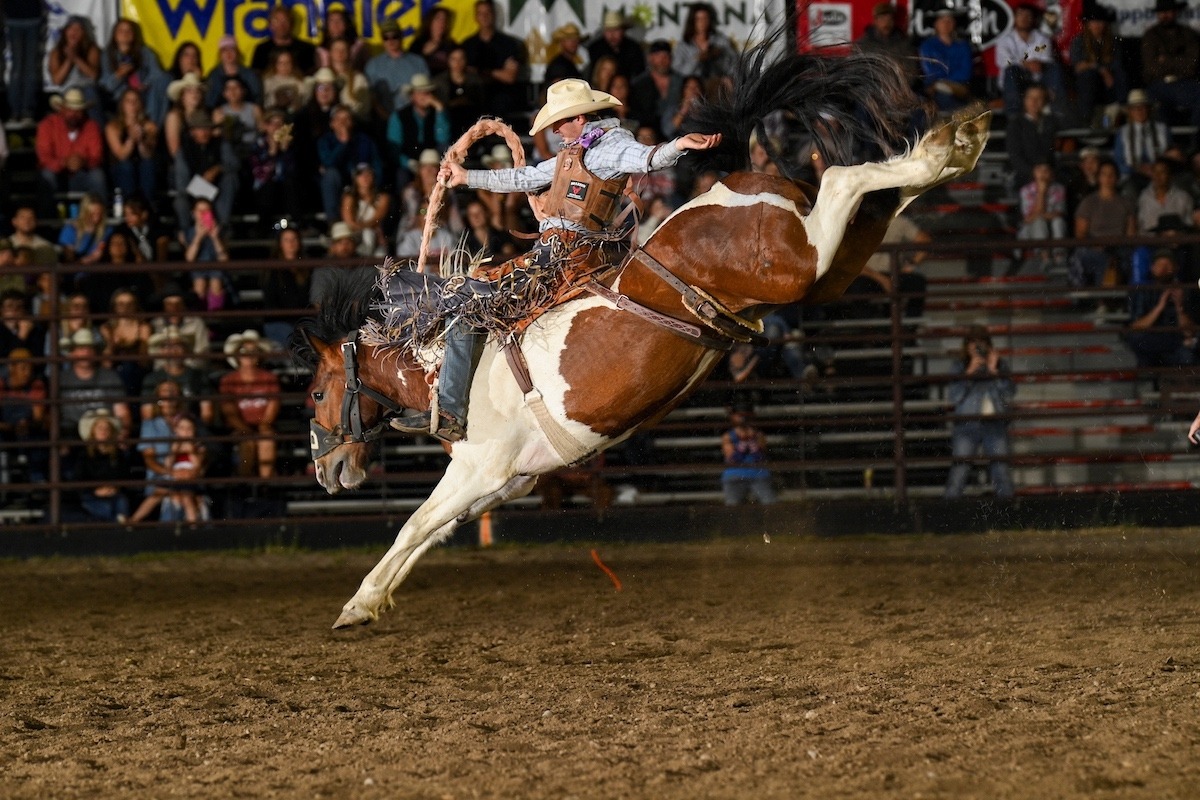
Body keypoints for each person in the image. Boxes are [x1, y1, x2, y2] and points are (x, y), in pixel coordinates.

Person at [395, 78, 721, 441]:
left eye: (558, 122)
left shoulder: (610, 146)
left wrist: (678, 145)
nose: (553, 130)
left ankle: (451, 408)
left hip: (563, 257)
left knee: (466, 301)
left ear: (579, 119)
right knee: (467, 296)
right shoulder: (574, 152)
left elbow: (647, 158)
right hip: (554, 254)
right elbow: (527, 177)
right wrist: (466, 176)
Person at [944, 326, 1015, 500]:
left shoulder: (1000, 364)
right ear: (967, 346)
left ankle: (1009, 513)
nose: (978, 347)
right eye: (973, 343)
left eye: (981, 342)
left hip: (994, 423)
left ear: (988, 345)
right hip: (967, 424)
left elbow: (1009, 393)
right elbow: (954, 397)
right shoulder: (959, 367)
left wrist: (995, 372)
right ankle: (947, 511)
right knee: (959, 472)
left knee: (1001, 472)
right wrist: (968, 373)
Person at [219, 330, 281, 479]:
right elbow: (229, 412)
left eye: (253, 351)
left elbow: (273, 405)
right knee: (247, 441)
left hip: (263, 425)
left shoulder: (269, 378)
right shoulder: (228, 381)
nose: (249, 355)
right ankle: (246, 482)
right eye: (244, 351)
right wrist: (244, 428)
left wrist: (264, 424)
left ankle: (265, 482)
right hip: (239, 427)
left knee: (266, 438)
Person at [35, 88, 107, 214]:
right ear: (62, 109)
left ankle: (100, 216)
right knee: (46, 175)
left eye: (78, 111)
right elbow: (44, 157)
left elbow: (97, 156)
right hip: (58, 176)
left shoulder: (91, 126)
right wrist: (64, 162)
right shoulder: (47, 125)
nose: (74, 114)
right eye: (70, 110)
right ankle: (46, 218)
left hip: (82, 174)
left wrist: (83, 162)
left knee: (97, 176)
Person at [1125, 250, 1196, 370]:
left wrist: (1179, 307)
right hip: (1154, 341)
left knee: (1187, 355)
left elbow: (1189, 332)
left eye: (1167, 265)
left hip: (1176, 343)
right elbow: (1136, 327)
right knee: (1138, 341)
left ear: (1176, 268)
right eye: (1159, 265)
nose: (1163, 269)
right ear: (1152, 268)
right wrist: (1159, 307)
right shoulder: (1143, 291)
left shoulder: (1186, 291)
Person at [993, 1, 1066, 117]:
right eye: (1020, 15)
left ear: (1033, 19)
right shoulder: (1004, 40)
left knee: (1054, 68)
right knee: (1011, 70)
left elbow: (1047, 59)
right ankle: (1014, 119)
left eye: (1028, 16)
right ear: (1014, 18)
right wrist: (1026, 64)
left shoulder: (1042, 38)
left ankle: (1059, 114)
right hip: (1017, 81)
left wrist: (1039, 64)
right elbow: (1005, 62)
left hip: (1038, 79)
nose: (1024, 19)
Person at [1072, 160, 1136, 289]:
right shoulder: (1088, 202)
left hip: (1119, 247)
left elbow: (1131, 233)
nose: (1108, 178)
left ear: (1117, 178)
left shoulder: (1126, 204)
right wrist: (1095, 245)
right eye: (1104, 174)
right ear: (1099, 178)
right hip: (1094, 246)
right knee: (1096, 258)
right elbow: (1080, 234)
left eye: (1111, 174)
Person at [1140, 0, 1200, 139]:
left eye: (1168, 11)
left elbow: (1192, 65)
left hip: (1184, 83)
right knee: (1156, 107)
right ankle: (1164, 146)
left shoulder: (1189, 34)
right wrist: (1180, 61)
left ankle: (1195, 142)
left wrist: (1165, 59)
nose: (1165, 15)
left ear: (1175, 12)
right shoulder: (1150, 35)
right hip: (1158, 84)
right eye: (1161, 12)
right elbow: (1151, 67)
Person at [58, 328, 132, 440]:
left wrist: (122, 434)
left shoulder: (110, 377)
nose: (86, 353)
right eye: (81, 348)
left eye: (89, 348)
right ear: (72, 353)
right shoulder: (61, 379)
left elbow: (122, 413)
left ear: (95, 352)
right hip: (70, 436)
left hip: (103, 436)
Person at [461, 0, 529, 120]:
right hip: (474, 98)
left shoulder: (509, 44)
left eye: (487, 12)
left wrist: (481, 71)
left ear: (494, 15)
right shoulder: (467, 45)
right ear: (476, 17)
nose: (484, 16)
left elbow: (509, 77)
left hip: (502, 98)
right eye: (480, 13)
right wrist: (497, 72)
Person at [317, 105, 384, 228]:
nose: (343, 123)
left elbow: (376, 164)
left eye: (346, 119)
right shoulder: (325, 141)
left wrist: (375, 182)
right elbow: (328, 163)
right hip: (339, 181)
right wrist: (343, 144)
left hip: (362, 182)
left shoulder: (364, 140)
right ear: (332, 124)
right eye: (339, 119)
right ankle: (334, 222)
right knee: (330, 175)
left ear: (352, 122)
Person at [173, 109, 239, 230]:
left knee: (230, 178)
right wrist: (201, 184)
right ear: (192, 132)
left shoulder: (220, 144)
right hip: (193, 192)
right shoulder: (184, 152)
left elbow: (234, 164)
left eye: (207, 128)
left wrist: (217, 169)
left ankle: (222, 226)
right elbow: (182, 186)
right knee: (180, 202)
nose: (204, 133)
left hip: (218, 189)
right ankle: (186, 233)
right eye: (200, 129)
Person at [386, 73, 450, 190]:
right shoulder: (398, 116)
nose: (425, 96)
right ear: (412, 95)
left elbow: (443, 139)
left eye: (428, 92)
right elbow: (394, 149)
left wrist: (440, 110)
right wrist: (409, 163)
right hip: (409, 163)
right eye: (421, 92)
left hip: (433, 161)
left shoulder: (437, 114)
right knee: (401, 175)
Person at [1068, 1, 1126, 128]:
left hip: (1108, 84)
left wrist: (1105, 71)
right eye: (1093, 22)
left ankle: (1122, 110)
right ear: (1088, 24)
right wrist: (1100, 69)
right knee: (1088, 76)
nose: (1097, 25)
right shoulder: (1079, 41)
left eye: (1100, 21)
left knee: (1120, 74)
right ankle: (1086, 120)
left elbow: (1117, 63)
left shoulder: (1113, 42)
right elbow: (1078, 66)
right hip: (1088, 84)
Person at [140, 326, 214, 426]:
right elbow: (147, 415)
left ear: (186, 350)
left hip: (193, 428)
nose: (172, 351)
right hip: (161, 429)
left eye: (177, 346)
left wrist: (187, 429)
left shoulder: (199, 377)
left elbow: (207, 414)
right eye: (167, 346)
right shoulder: (151, 379)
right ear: (161, 351)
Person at [98, 18, 167, 124]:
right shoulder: (107, 55)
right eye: (121, 30)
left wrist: (145, 84)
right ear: (114, 35)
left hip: (142, 95)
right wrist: (118, 75)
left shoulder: (145, 52)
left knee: (166, 78)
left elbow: (157, 74)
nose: (125, 34)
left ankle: (151, 124)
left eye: (128, 30)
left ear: (134, 34)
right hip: (119, 98)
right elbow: (106, 86)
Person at [74, 409, 132, 523]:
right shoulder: (84, 453)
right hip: (90, 494)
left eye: (107, 428)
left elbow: (124, 474)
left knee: (122, 502)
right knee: (105, 508)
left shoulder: (118, 454)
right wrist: (95, 490)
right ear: (93, 431)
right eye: (100, 428)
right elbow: (79, 478)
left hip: (114, 492)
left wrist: (114, 487)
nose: (103, 431)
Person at [364, 19, 430, 119]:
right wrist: (386, 117)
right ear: (382, 40)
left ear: (401, 37)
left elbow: (426, 91)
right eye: (386, 37)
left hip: (414, 117)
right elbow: (370, 96)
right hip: (383, 119)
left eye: (394, 36)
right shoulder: (373, 65)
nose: (390, 41)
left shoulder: (418, 62)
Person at [1112, 89, 1175, 194]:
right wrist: (1138, 169)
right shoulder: (1122, 133)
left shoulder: (1162, 129)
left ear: (1148, 109)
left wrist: (1156, 168)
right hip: (1132, 176)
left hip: (1159, 175)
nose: (1139, 111)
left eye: (1142, 107)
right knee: (1130, 188)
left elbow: (1171, 155)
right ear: (1130, 112)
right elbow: (1119, 162)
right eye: (1135, 108)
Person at [0, 347, 48, 482]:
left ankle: (37, 481)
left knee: (39, 441)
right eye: (23, 368)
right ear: (11, 368)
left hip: (27, 429)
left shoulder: (36, 385)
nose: (28, 373)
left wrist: (27, 424)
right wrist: (7, 426)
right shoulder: (1, 384)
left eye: (30, 368)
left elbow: (38, 416)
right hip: (4, 429)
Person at [105, 88, 159, 205]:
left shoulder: (150, 126)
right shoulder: (113, 127)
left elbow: (147, 154)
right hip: (121, 168)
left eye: (135, 101)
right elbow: (121, 155)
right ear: (122, 105)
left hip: (142, 165)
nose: (132, 105)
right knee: (126, 166)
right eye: (128, 101)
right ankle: (129, 205)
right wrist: (131, 139)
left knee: (148, 165)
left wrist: (140, 141)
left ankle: (147, 205)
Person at [918, 8, 975, 113]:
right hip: (934, 90)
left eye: (949, 20)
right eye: (942, 20)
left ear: (954, 23)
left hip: (959, 88)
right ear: (936, 24)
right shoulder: (927, 46)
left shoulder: (963, 46)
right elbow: (930, 72)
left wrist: (945, 82)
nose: (946, 24)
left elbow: (965, 72)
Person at [100, 286, 152, 398]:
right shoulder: (107, 328)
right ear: (114, 306)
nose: (126, 308)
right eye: (121, 304)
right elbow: (106, 364)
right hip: (114, 372)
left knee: (129, 368)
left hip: (138, 373)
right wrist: (112, 344)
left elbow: (144, 361)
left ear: (135, 306)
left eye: (130, 304)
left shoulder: (143, 327)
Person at [1017, 162, 1069, 274]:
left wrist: (1041, 214)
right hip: (1032, 229)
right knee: (1039, 222)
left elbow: (1059, 213)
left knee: (1058, 222)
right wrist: (1041, 193)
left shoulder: (1059, 188)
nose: (1042, 174)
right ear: (1034, 173)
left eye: (1046, 171)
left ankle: (1059, 256)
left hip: (1052, 226)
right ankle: (1045, 257)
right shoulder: (1026, 190)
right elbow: (1029, 218)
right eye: (1039, 170)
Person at [1006, 84, 1059, 191]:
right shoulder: (1016, 124)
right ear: (1024, 100)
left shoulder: (1050, 121)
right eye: (1030, 97)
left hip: (1049, 172)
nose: (1034, 102)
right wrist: (1033, 171)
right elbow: (1015, 155)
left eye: (1039, 98)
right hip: (1025, 175)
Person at [721, 409, 776, 506]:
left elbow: (761, 456)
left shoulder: (758, 435)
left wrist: (752, 440)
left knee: (769, 503)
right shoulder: (728, 436)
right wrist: (743, 442)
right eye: (739, 415)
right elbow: (733, 459)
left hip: (758, 473)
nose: (743, 418)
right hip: (735, 474)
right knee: (732, 506)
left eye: (745, 415)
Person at [857, 3, 920, 88]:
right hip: (871, 90)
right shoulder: (863, 45)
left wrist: (896, 88)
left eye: (889, 19)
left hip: (898, 90)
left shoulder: (904, 44)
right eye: (882, 19)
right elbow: (857, 72)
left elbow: (912, 72)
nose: (886, 23)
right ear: (875, 21)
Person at [673, 3, 736, 86]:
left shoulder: (721, 41)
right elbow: (678, 72)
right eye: (698, 19)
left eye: (705, 18)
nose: (702, 22)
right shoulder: (684, 45)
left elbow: (733, 65)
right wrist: (697, 59)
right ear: (692, 21)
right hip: (693, 87)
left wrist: (719, 56)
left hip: (717, 84)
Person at [629, 41, 684, 134]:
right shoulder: (639, 83)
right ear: (650, 58)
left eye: (666, 56)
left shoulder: (681, 82)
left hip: (676, 131)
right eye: (658, 56)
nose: (662, 60)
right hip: (647, 132)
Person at [4, 0, 46, 123]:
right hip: (14, 17)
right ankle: (15, 111)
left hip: (32, 16)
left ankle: (27, 110)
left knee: (29, 67)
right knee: (19, 67)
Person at [434, 46, 485, 141]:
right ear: (448, 60)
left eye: (461, 59)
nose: (458, 63)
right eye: (454, 59)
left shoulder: (475, 81)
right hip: (449, 124)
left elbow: (481, 104)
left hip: (471, 124)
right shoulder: (439, 82)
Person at [342, 163, 391, 258]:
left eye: (368, 174)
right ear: (355, 178)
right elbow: (349, 222)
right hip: (355, 235)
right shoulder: (349, 198)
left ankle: (366, 258)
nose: (365, 177)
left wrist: (365, 227)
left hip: (375, 235)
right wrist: (362, 227)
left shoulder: (382, 197)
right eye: (360, 174)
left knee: (369, 234)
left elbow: (376, 219)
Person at [250, 5, 317, 74]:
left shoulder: (306, 49)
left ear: (292, 24)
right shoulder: (262, 50)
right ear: (270, 25)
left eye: (285, 21)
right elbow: (256, 75)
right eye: (277, 21)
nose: (281, 25)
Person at [165, 414, 207, 524]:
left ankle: (193, 527)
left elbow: (198, 466)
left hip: (191, 478)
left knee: (187, 497)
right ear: (175, 430)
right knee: (175, 498)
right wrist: (174, 451)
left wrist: (191, 451)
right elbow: (167, 465)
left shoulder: (199, 446)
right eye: (182, 428)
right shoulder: (173, 445)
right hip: (176, 478)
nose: (186, 432)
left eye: (189, 428)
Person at [1137, 158, 1195, 233]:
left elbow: (1189, 224)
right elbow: (1141, 226)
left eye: (1162, 172)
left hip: (1177, 238)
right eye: (1155, 172)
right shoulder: (1143, 198)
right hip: (1149, 239)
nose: (1158, 176)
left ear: (1170, 175)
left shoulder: (1183, 198)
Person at [205, 36, 262, 109]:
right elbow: (210, 101)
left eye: (232, 49)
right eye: (224, 50)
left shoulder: (249, 74)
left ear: (237, 52)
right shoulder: (214, 74)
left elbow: (257, 98)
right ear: (220, 55)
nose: (228, 53)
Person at [587, 11, 646, 80]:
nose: (612, 35)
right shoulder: (595, 48)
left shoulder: (633, 48)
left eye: (616, 30)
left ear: (623, 31)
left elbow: (639, 74)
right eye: (608, 30)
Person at [409, 6, 457, 76]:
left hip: (444, 80)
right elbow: (410, 65)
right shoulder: (418, 44)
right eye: (438, 19)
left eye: (444, 19)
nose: (441, 22)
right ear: (430, 21)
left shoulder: (451, 45)